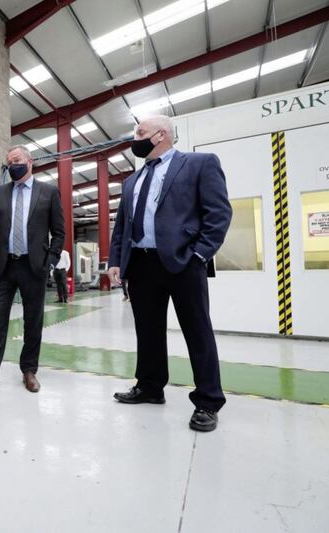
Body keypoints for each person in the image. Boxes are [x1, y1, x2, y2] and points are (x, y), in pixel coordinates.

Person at [108, 115, 232, 432]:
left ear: (161, 134)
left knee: (197, 332)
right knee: (147, 331)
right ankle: (150, 387)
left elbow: (218, 213)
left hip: (182, 263)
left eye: (140, 132)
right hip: (141, 264)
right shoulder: (131, 181)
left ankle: (207, 401)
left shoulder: (199, 164)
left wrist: (200, 255)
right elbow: (122, 225)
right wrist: (115, 261)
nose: (135, 138)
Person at [0, 146, 65, 394]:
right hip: (4, 265)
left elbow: (59, 232)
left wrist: (51, 262)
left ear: (30, 162)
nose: (13, 165)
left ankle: (29, 370)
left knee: (33, 321)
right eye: (9, 162)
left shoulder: (49, 192)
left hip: (34, 267)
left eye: (17, 160)